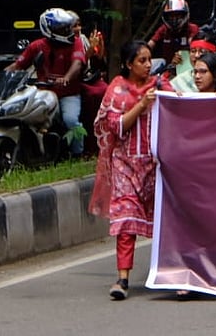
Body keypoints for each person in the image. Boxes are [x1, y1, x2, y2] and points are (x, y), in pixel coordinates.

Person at [90, 40, 173, 300]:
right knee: (125, 221)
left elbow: (182, 105)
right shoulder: (116, 90)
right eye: (142, 61)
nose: (148, 65)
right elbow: (115, 127)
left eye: (150, 60)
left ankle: (173, 273)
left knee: (167, 220)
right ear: (128, 64)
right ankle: (122, 278)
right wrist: (141, 105)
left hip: (156, 164)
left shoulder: (160, 85)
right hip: (125, 162)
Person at [3, 7, 87, 157]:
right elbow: (18, 65)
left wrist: (66, 78)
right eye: (61, 28)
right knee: (27, 117)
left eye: (67, 27)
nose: (66, 30)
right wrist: (0, 76)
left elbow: (77, 64)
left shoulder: (76, 42)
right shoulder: (37, 46)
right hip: (45, 93)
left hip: (69, 93)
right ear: (49, 29)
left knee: (71, 121)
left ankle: (77, 153)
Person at [146, 0, 199, 65]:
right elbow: (150, 45)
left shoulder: (192, 29)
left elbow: (195, 49)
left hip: (187, 66)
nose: (174, 19)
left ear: (184, 15)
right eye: (171, 16)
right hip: (167, 69)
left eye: (178, 15)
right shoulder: (163, 29)